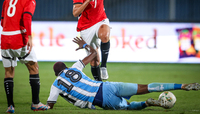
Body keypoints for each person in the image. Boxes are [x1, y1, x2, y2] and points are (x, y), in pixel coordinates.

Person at [47, 37, 200, 110]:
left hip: (100, 100)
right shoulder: (74, 67)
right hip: (108, 86)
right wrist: (84, 45)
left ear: (56, 74)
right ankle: (182, 85)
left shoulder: (56, 85)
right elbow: (94, 53)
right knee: (145, 87)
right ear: (66, 67)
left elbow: (50, 106)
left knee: (128, 106)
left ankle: (147, 103)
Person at [1, 0, 49, 113]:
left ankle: (10, 106)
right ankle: (35, 104)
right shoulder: (30, 0)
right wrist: (29, 36)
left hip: (4, 39)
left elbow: (2, 21)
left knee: (8, 72)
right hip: (18, 39)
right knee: (34, 67)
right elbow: (27, 17)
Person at [72, 0, 132, 81]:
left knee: (105, 35)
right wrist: (88, 0)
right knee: (94, 60)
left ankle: (104, 66)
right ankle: (98, 84)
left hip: (101, 19)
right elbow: (75, 13)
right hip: (86, 26)